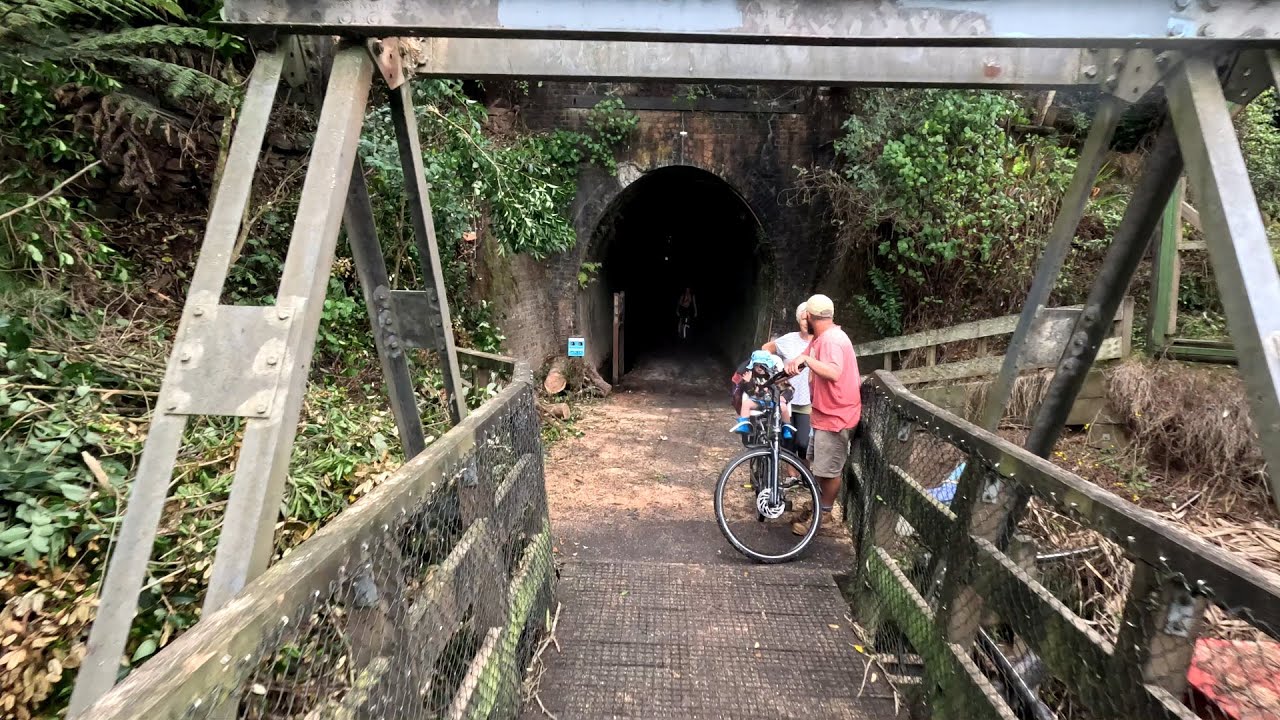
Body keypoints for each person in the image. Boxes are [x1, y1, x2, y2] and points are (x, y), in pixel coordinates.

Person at [784, 294, 861, 535]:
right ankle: (819, 506)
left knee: (829, 470)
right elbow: (803, 361)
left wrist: (805, 358)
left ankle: (824, 515)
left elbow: (834, 372)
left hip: (836, 416)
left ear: (809, 317)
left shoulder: (832, 340)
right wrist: (784, 375)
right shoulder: (820, 339)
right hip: (824, 413)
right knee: (819, 467)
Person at [763, 302, 813, 461]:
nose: (806, 322)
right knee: (788, 440)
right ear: (799, 320)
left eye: (809, 319)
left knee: (804, 442)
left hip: (807, 400)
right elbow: (766, 348)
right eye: (803, 319)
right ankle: (792, 478)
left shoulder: (819, 342)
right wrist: (774, 365)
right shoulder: (789, 339)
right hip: (787, 397)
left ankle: (805, 476)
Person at [729, 350, 795, 440]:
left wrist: (783, 397)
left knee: (783, 407)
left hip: (774, 401)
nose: (759, 368)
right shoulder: (751, 375)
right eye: (756, 365)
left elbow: (789, 389)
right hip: (759, 401)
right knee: (746, 403)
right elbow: (751, 392)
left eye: (763, 365)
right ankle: (744, 423)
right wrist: (748, 382)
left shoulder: (775, 376)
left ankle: (786, 427)